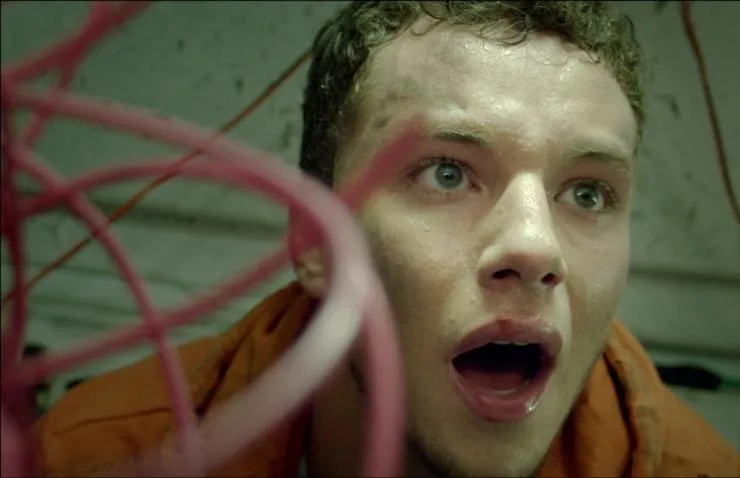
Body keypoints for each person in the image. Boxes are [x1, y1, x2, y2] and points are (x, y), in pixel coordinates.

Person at [35, 1, 739, 477]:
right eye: (446, 173)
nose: (535, 249)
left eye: (587, 193)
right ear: (315, 238)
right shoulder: (95, 457)